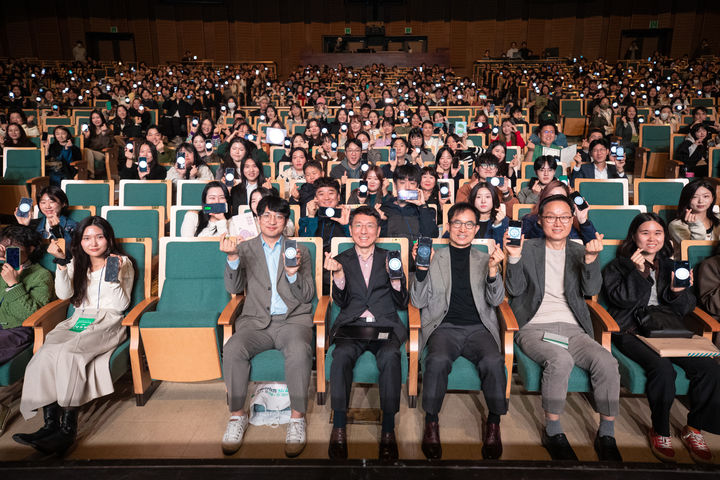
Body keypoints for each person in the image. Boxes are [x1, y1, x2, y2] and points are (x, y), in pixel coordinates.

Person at [506, 194, 621, 461]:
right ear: (540, 220)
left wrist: (592, 260)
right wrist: (513, 258)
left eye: (564, 217)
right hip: (534, 326)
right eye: (550, 217)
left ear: (572, 219)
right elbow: (514, 290)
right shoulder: (528, 247)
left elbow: (591, 290)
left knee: (606, 361)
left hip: (573, 328)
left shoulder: (581, 250)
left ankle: (607, 432)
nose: (557, 222)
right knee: (560, 359)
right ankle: (553, 429)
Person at [604, 213, 720, 464]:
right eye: (645, 232)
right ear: (634, 236)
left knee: (709, 367)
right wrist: (638, 273)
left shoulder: (671, 265)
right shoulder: (618, 265)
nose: (652, 238)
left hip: (668, 330)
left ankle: (694, 427)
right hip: (631, 330)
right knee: (663, 369)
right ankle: (660, 429)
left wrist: (679, 292)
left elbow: (686, 309)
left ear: (665, 237)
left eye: (657, 233)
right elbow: (621, 301)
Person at [13, 216, 135, 454]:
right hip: (79, 319)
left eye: (99, 237)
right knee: (47, 351)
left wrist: (113, 275)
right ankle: (49, 425)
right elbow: (64, 294)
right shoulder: (77, 262)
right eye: (87, 238)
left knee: (70, 353)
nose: (94, 243)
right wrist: (61, 263)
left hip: (108, 321)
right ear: (79, 242)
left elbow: (121, 303)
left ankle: (67, 431)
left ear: (108, 239)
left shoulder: (120, 261)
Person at [219, 196, 315, 458]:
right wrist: (232, 259)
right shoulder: (244, 247)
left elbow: (307, 295)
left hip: (292, 320)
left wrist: (293, 274)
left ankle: (297, 419)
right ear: (258, 218)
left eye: (279, 217)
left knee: (298, 350)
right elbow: (234, 288)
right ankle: (237, 416)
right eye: (267, 215)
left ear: (286, 221)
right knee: (233, 347)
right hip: (255, 323)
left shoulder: (300, 249)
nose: (273, 221)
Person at [411, 203, 507, 460]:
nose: (462, 229)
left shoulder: (486, 258)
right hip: (444, 328)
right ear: (448, 226)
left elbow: (497, 301)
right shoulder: (434, 256)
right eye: (457, 223)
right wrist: (420, 270)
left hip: (479, 329)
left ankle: (494, 422)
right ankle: (431, 422)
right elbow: (418, 302)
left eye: (468, 224)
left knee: (494, 360)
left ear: (476, 229)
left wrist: (493, 271)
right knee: (437, 360)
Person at [323, 205, 409, 461]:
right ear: (350, 230)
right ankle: (339, 426)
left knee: (391, 358)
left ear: (378, 230)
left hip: (385, 325)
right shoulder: (343, 258)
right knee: (341, 357)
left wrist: (396, 280)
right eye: (358, 225)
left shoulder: (390, 256)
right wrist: (338, 275)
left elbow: (403, 301)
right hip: (353, 326)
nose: (364, 230)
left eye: (370, 226)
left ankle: (388, 430)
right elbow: (339, 300)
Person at [0, 225, 54, 364]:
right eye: (4, 248)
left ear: (30, 249)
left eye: (13, 249)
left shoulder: (41, 275)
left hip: (17, 329)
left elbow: (32, 316)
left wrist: (13, 285)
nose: (7, 253)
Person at [521, 180, 598, 244]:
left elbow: (592, 246)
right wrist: (540, 224)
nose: (555, 201)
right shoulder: (529, 219)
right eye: (551, 197)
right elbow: (527, 246)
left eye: (561, 197)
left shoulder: (571, 221)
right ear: (543, 198)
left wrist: (582, 221)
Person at [380, 165, 439, 241]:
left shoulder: (426, 210)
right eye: (402, 182)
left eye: (412, 183)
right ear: (395, 185)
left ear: (417, 186)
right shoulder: (385, 209)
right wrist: (382, 221)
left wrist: (422, 206)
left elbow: (432, 235)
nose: (407, 187)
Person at [668, 179, 720, 251]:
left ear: (712, 198)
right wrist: (695, 226)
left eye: (706, 196)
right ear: (687, 199)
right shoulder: (676, 225)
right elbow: (695, 250)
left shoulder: (718, 218)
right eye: (694, 197)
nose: (701, 201)